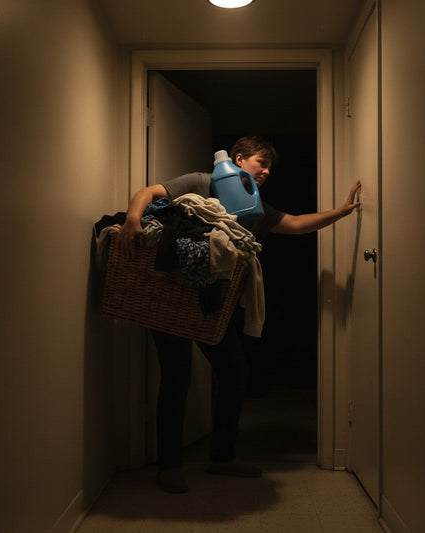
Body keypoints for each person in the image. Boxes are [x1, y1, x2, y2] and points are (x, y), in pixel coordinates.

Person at [118, 136, 361, 493]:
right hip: (170, 295)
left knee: (234, 370)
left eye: (269, 169)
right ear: (239, 158)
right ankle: (169, 467)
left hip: (208, 301)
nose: (265, 172)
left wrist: (339, 213)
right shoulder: (202, 181)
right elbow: (147, 192)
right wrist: (132, 220)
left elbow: (293, 223)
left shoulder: (252, 204)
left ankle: (222, 458)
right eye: (261, 164)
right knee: (176, 376)